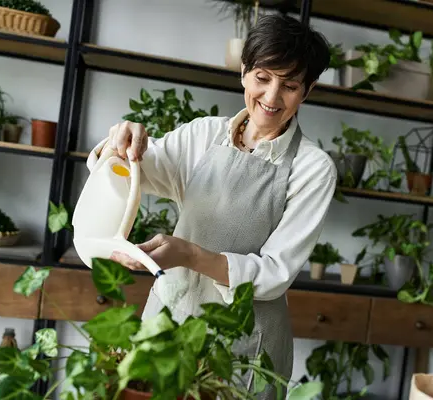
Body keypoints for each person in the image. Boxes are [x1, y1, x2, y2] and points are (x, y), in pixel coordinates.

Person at [86, 13, 336, 399]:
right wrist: (122, 142)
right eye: (262, 78)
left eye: (289, 86)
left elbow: (274, 273)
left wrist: (187, 253)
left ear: (308, 90)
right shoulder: (203, 135)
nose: (271, 98)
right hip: (171, 319)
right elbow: (133, 172)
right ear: (243, 72)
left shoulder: (312, 168)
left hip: (244, 339)